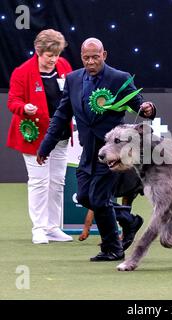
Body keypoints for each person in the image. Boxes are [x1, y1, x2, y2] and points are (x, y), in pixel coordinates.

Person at [37, 38, 156, 261]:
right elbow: (62, 115)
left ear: (104, 55)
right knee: (83, 197)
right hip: (88, 151)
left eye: (95, 57)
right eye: (86, 57)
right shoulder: (72, 79)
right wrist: (46, 145)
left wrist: (147, 109)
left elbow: (137, 103)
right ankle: (129, 221)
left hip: (112, 153)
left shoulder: (119, 78)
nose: (91, 61)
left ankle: (112, 249)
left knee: (99, 198)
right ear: (81, 57)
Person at [7, 29, 73, 244]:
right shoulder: (22, 72)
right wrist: (24, 107)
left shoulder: (64, 66)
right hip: (35, 136)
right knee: (39, 182)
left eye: (57, 54)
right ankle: (39, 228)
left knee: (57, 182)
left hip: (61, 135)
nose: (54, 59)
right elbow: (12, 101)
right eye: (49, 55)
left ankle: (53, 227)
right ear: (38, 51)